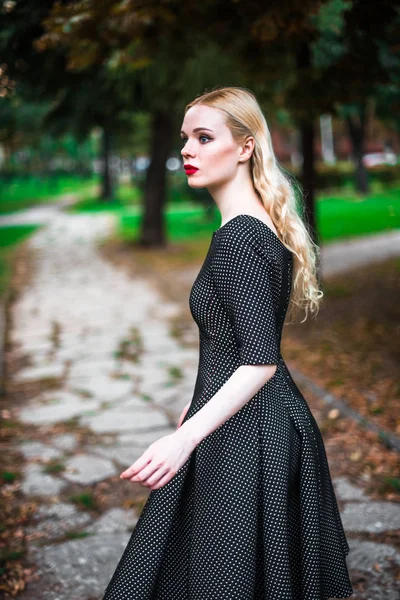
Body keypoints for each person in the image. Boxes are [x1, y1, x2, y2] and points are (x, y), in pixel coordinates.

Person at [102, 86, 353, 600]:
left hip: (252, 437)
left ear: (245, 147)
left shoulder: (241, 237)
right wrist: (196, 408)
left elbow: (259, 362)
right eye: (185, 139)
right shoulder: (252, 229)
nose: (188, 151)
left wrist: (184, 438)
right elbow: (238, 350)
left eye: (203, 137)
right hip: (243, 424)